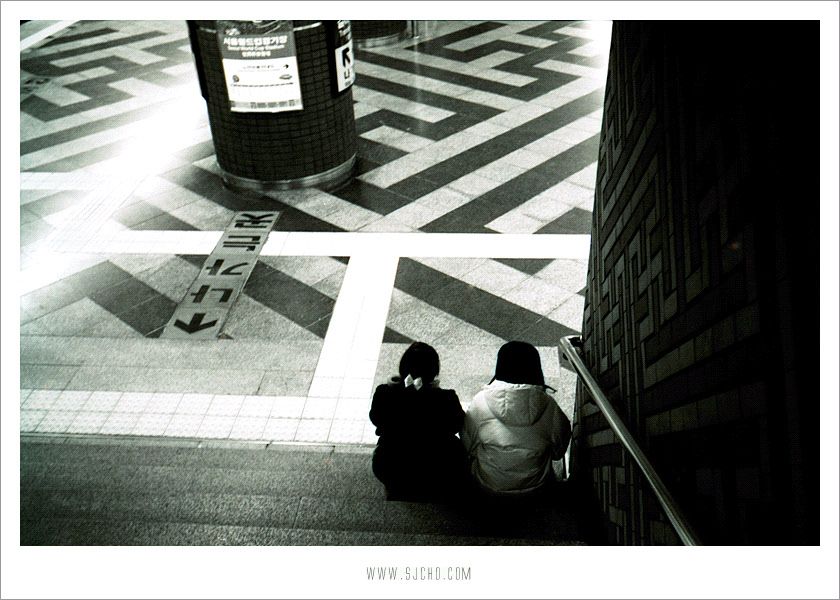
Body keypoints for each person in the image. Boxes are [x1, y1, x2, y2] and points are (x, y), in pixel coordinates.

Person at [462, 341, 571, 496]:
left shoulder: (480, 402)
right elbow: (558, 453)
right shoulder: (549, 406)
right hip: (535, 488)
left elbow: (469, 448)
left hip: (488, 486)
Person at [369, 341, 467, 501]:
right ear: (434, 371)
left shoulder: (384, 393)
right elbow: (457, 425)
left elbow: (376, 419)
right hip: (437, 470)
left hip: (389, 467)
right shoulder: (447, 398)